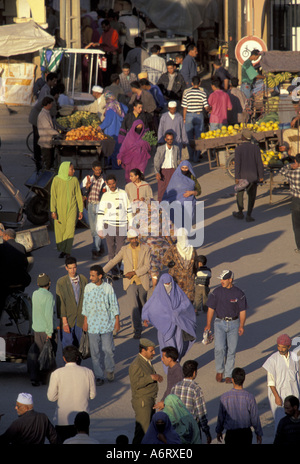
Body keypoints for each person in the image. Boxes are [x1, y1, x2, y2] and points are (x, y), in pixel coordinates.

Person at [142, 273, 196, 372]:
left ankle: (176, 365)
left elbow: (186, 305)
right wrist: (146, 318)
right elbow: (150, 307)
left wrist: (177, 312)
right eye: (165, 284)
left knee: (178, 347)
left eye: (169, 283)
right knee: (167, 349)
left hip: (177, 327)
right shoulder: (157, 295)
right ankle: (170, 370)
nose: (168, 285)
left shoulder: (178, 292)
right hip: (164, 328)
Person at [103, 229, 150, 339]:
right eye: (132, 238)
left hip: (142, 280)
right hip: (130, 282)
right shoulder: (124, 249)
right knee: (133, 306)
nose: (134, 240)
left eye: (136, 238)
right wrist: (102, 271)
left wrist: (134, 273)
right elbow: (114, 261)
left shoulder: (145, 249)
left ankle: (145, 318)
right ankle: (137, 330)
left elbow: (147, 266)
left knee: (142, 304)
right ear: (128, 239)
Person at [204, 270, 247, 383]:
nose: (221, 281)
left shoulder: (239, 294)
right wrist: (208, 324)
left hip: (234, 323)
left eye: (224, 279)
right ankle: (220, 370)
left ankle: (228, 374)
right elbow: (211, 308)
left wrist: (241, 325)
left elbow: (242, 311)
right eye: (221, 279)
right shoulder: (216, 292)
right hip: (219, 323)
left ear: (230, 280)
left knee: (231, 350)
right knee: (219, 348)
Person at [47, 345, 96, 443]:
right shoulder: (88, 372)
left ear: (64, 358)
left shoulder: (56, 373)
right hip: (82, 422)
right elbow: (92, 395)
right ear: (77, 358)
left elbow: (51, 397)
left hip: (62, 420)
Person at [82, 265, 120, 386]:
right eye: (90, 275)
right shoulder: (88, 288)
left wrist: (117, 321)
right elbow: (85, 305)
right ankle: (98, 375)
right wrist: (85, 321)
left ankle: (109, 370)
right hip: (92, 325)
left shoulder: (108, 288)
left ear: (100, 276)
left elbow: (114, 304)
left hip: (106, 325)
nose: (91, 277)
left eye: (93, 275)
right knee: (95, 352)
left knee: (108, 350)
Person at [262, 333, 300, 430]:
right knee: (280, 422)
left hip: (294, 393)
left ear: (289, 346)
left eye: (283, 347)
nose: (280, 349)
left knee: (295, 421)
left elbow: (297, 377)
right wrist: (276, 397)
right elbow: (270, 382)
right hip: (279, 395)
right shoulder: (273, 360)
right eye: (279, 346)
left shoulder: (294, 357)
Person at [97, 174, 133, 275]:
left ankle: (121, 267)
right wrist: (100, 228)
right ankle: (112, 267)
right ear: (107, 184)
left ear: (116, 182)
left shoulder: (123, 194)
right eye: (110, 184)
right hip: (108, 225)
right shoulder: (105, 196)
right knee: (111, 248)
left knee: (121, 249)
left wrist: (131, 225)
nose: (112, 186)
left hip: (122, 225)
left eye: (113, 183)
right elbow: (100, 213)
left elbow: (129, 210)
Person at [216, 367, 263, 445]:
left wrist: (219, 431)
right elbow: (255, 417)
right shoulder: (249, 397)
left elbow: (221, 417)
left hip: (231, 434)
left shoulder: (225, 397)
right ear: (243, 379)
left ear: (232, 380)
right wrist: (258, 433)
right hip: (245, 434)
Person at [129, 338, 163, 444]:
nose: (154, 353)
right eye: (151, 351)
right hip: (143, 401)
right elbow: (135, 384)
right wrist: (151, 377)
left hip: (149, 400)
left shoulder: (145, 361)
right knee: (142, 432)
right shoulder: (136, 364)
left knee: (147, 431)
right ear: (143, 350)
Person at [171, 360, 212, 444]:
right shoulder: (196, 389)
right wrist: (207, 432)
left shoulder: (175, 387)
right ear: (194, 373)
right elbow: (201, 414)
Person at [50, 162, 83, 258]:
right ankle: (63, 249)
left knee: (70, 230)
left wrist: (80, 210)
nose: (74, 171)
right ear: (65, 169)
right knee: (61, 231)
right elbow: (53, 196)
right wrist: (53, 210)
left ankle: (68, 251)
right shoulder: (56, 180)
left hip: (72, 209)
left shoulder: (74, 180)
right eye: (72, 169)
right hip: (59, 210)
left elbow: (78, 195)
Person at [29, 273, 57, 387]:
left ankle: (35, 378)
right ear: (49, 283)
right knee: (49, 354)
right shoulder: (49, 296)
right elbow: (48, 315)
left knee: (38, 353)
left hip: (37, 329)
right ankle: (46, 378)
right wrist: (49, 332)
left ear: (38, 284)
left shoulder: (35, 294)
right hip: (46, 330)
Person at [56, 256, 88, 349]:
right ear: (66, 268)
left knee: (79, 347)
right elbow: (60, 302)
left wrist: (86, 320)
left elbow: (87, 301)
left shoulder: (83, 279)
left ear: (76, 267)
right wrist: (64, 322)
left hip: (80, 319)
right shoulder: (61, 282)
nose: (72, 270)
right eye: (70, 268)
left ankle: (77, 364)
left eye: (74, 267)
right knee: (68, 347)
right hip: (68, 320)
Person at [232, 129, 264, 222]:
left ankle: (240, 212)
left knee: (240, 194)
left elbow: (237, 164)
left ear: (243, 138)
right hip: (253, 177)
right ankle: (249, 215)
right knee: (252, 196)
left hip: (242, 176)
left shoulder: (238, 149)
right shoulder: (256, 148)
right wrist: (261, 175)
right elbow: (259, 163)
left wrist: (237, 177)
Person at [0, 228, 31, 316]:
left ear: (6, 236)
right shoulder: (21, 247)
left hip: (8, 281)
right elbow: (26, 263)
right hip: (22, 280)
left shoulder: (2, 247)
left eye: (3, 236)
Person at [162, 160, 201, 230]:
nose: (184, 170)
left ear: (189, 168)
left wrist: (191, 193)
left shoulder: (192, 178)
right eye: (183, 168)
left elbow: (199, 191)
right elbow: (170, 190)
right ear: (180, 168)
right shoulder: (175, 177)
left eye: (186, 168)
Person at [162, 227, 197, 302]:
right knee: (177, 302)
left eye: (184, 236)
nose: (183, 238)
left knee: (188, 303)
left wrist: (197, 274)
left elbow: (195, 263)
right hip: (177, 282)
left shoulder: (192, 249)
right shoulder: (173, 249)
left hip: (189, 283)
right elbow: (164, 260)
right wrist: (169, 263)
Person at [81, 160, 106, 259]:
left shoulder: (104, 181)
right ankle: (101, 246)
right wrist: (87, 188)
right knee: (93, 230)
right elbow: (82, 192)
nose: (98, 171)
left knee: (98, 228)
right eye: (96, 170)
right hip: (90, 206)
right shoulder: (87, 179)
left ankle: (95, 250)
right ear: (93, 169)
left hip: (100, 206)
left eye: (99, 170)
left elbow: (105, 194)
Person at [182, 76, 210, 162]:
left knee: (189, 138)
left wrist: (184, 118)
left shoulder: (187, 93)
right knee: (198, 138)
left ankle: (191, 157)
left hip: (189, 116)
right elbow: (206, 107)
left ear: (192, 83)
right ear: (200, 83)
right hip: (199, 115)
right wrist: (210, 109)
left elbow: (184, 108)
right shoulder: (203, 93)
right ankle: (196, 157)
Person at [99, 90, 128, 169]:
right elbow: (126, 110)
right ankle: (118, 165)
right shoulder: (118, 104)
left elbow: (108, 121)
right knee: (118, 149)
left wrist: (100, 127)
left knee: (112, 149)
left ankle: (115, 166)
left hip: (112, 131)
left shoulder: (110, 107)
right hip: (120, 130)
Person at [280, 153, 300, 252]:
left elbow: (282, 170)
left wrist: (290, 165)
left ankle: (299, 247)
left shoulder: (293, 174)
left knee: (297, 226)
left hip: (296, 201)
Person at [37, 95, 60, 170]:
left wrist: (57, 130)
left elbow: (52, 126)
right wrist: (58, 133)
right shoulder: (43, 115)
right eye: (51, 104)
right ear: (48, 104)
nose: (52, 105)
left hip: (49, 141)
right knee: (48, 163)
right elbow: (48, 129)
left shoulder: (47, 113)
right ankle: (45, 178)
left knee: (50, 162)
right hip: (45, 142)